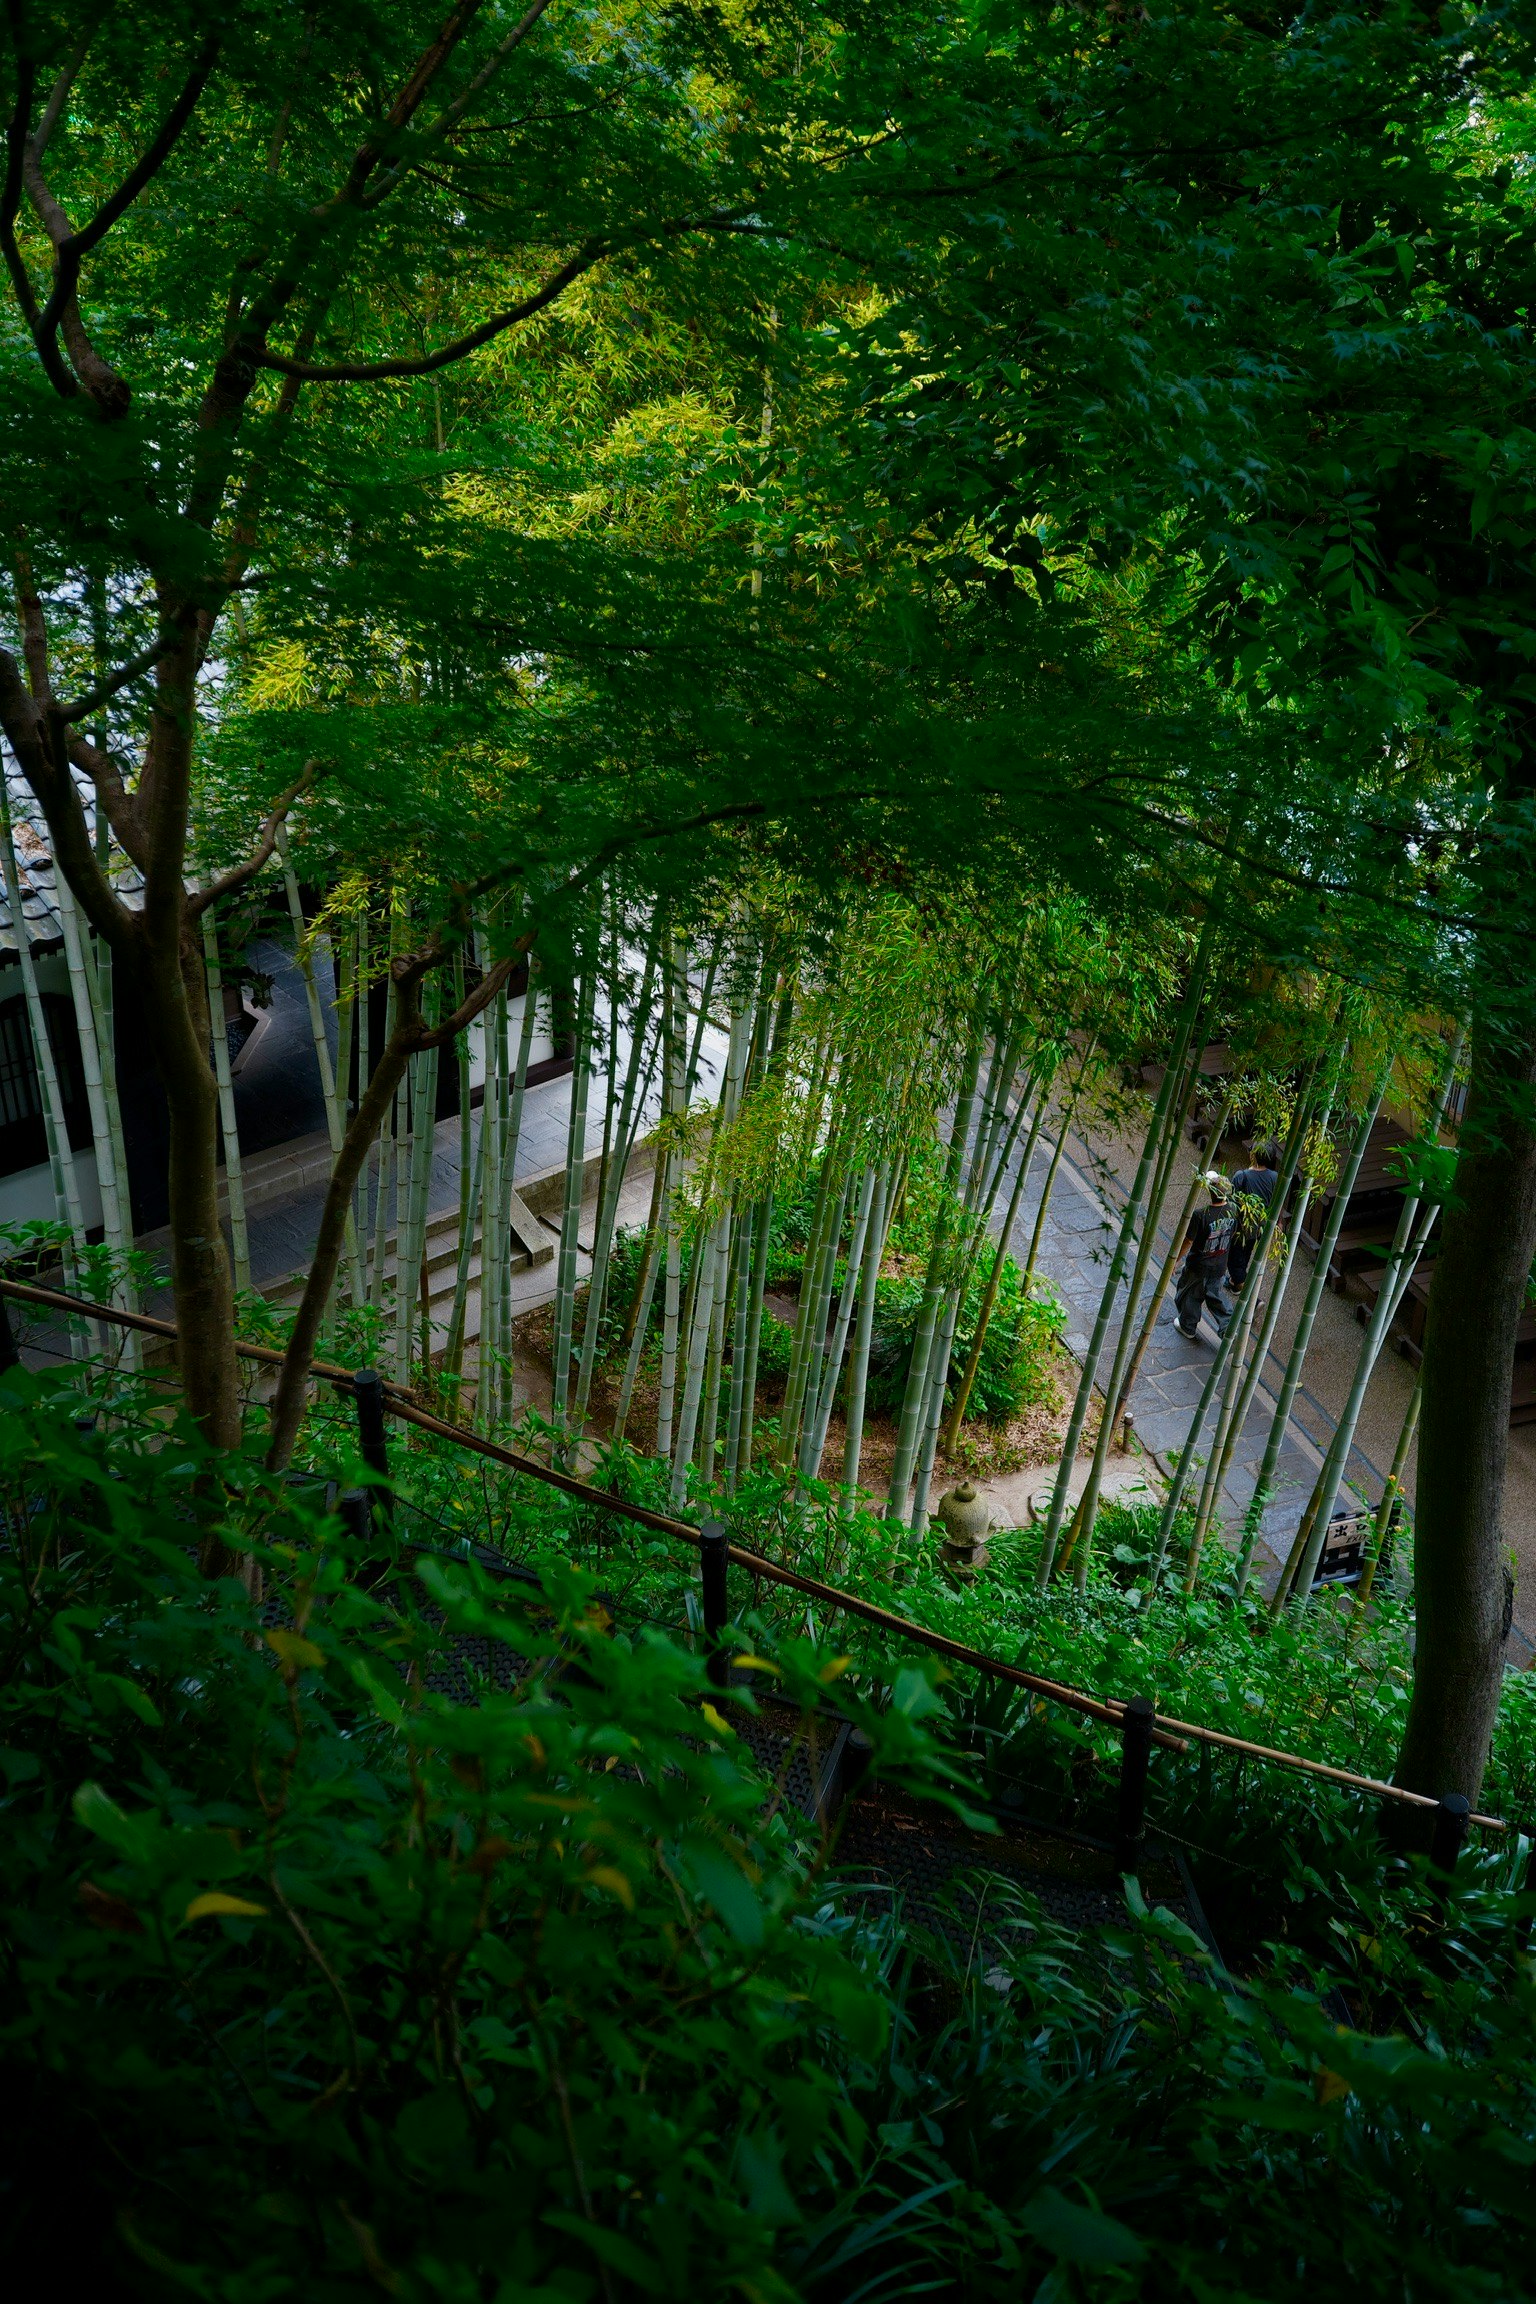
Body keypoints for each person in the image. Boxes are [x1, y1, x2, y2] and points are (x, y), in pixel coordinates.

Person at [1175, 1173, 1236, 1339]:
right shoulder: (1233, 1210)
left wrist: (1176, 1259)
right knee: (1215, 1295)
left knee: (1190, 1294)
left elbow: (1188, 1241)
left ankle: (1188, 1326)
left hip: (1198, 1265)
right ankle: (1228, 1327)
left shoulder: (1201, 1214)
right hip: (1220, 1262)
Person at [1225, 1139, 1280, 1291]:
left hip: (1242, 1225)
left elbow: (1232, 1202)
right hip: (1261, 1225)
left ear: (1253, 1155)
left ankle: (1243, 1288)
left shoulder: (1241, 1176)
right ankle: (1233, 1281)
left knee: (1234, 1258)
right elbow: (1277, 1202)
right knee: (1246, 1252)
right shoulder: (1275, 1177)